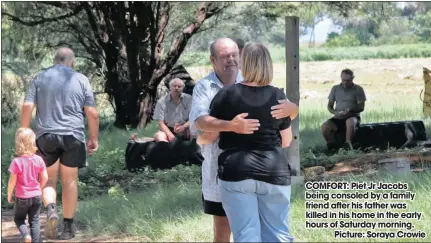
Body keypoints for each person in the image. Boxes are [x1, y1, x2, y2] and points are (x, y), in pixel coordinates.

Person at [189, 38, 298, 242]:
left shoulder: (225, 96)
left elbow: (208, 132)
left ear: (243, 61)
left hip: (235, 172)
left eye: (234, 55)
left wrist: (204, 139)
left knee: (246, 234)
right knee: (278, 234)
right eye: (224, 56)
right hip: (272, 171)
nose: (231, 60)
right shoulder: (277, 95)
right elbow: (285, 141)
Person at [20, 47, 99, 240]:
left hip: (46, 136)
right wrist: (93, 138)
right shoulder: (81, 79)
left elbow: (27, 106)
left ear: (55, 61)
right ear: (72, 62)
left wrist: (24, 132)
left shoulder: (40, 78)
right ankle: (69, 227)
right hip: (73, 136)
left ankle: (52, 209)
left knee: (48, 179)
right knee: (70, 180)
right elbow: (93, 113)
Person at [8, 128, 48, 243]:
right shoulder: (39, 159)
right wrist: (38, 189)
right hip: (36, 196)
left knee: (19, 219)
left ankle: (26, 236)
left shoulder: (16, 162)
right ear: (33, 142)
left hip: (22, 197)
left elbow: (12, 182)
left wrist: (9, 195)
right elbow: (45, 177)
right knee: (35, 221)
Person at [321, 68, 366, 151]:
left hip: (352, 116)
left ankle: (348, 144)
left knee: (350, 122)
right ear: (340, 78)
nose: (345, 83)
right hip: (338, 117)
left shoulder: (358, 89)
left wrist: (350, 109)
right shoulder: (335, 89)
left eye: (347, 80)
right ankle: (332, 146)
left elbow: (361, 107)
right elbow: (329, 106)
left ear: (352, 78)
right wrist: (335, 112)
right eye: (343, 80)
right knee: (325, 126)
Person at [153, 78, 192, 142]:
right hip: (168, 129)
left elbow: (193, 117)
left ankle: (192, 149)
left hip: (185, 128)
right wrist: (170, 135)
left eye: (179, 86)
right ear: (170, 87)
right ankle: (166, 148)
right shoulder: (161, 102)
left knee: (196, 132)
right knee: (158, 136)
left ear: (183, 88)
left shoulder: (189, 99)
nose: (176, 88)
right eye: (174, 86)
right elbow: (161, 123)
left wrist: (184, 127)